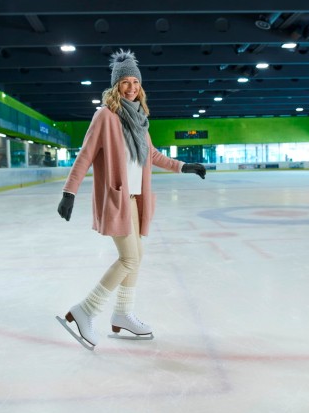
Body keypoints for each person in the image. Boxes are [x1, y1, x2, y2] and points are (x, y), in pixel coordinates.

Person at [56, 49, 207, 349]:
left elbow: (151, 155)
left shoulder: (140, 120)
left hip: (137, 201)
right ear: (116, 86)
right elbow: (85, 155)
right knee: (129, 257)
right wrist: (69, 192)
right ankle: (85, 310)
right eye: (125, 82)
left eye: (135, 82)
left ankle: (123, 313)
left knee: (137, 257)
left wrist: (183, 166)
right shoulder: (105, 116)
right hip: (117, 198)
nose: (131, 88)